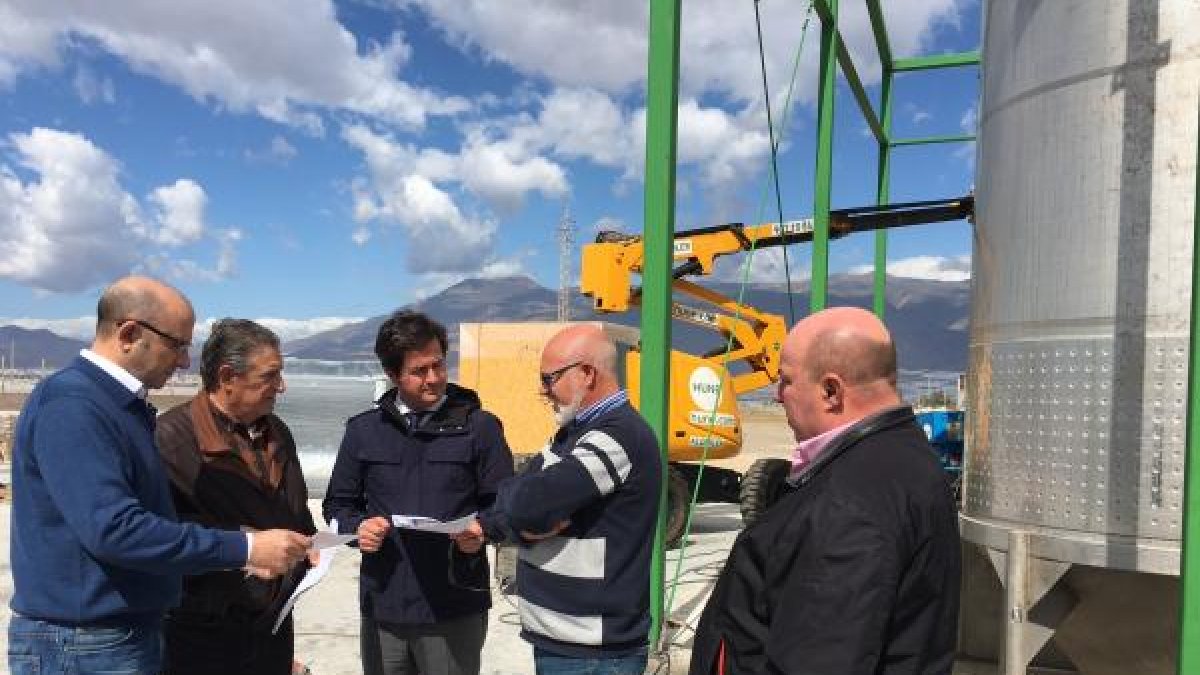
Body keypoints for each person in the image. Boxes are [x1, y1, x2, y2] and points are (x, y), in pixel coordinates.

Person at [8, 276, 311, 675]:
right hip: (84, 642)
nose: (185, 361)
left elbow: (150, 518)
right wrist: (246, 548)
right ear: (130, 333)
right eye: (178, 345)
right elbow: (116, 530)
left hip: (118, 634)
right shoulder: (74, 404)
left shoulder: (120, 407)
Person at [689, 306, 962, 675]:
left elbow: (819, 659)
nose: (776, 395)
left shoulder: (851, 503)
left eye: (785, 380)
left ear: (831, 390)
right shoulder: (904, 458)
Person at [461, 323, 662, 675]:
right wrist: (524, 521)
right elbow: (519, 496)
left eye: (549, 378)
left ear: (586, 374)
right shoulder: (573, 434)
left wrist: (524, 506)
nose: (543, 390)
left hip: (593, 653)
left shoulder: (618, 437)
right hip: (565, 643)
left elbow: (526, 502)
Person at [322, 310, 514, 675]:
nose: (434, 378)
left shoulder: (481, 428)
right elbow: (339, 505)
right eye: (419, 371)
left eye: (439, 365)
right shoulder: (364, 431)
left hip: (455, 604)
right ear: (393, 375)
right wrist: (357, 529)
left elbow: (504, 505)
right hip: (384, 604)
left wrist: (482, 530)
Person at [155, 319, 318, 675]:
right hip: (201, 637)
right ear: (228, 377)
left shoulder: (278, 431)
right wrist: (246, 547)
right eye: (271, 376)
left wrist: (312, 544)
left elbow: (294, 510)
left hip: (273, 628)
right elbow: (157, 535)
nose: (282, 387)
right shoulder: (169, 440)